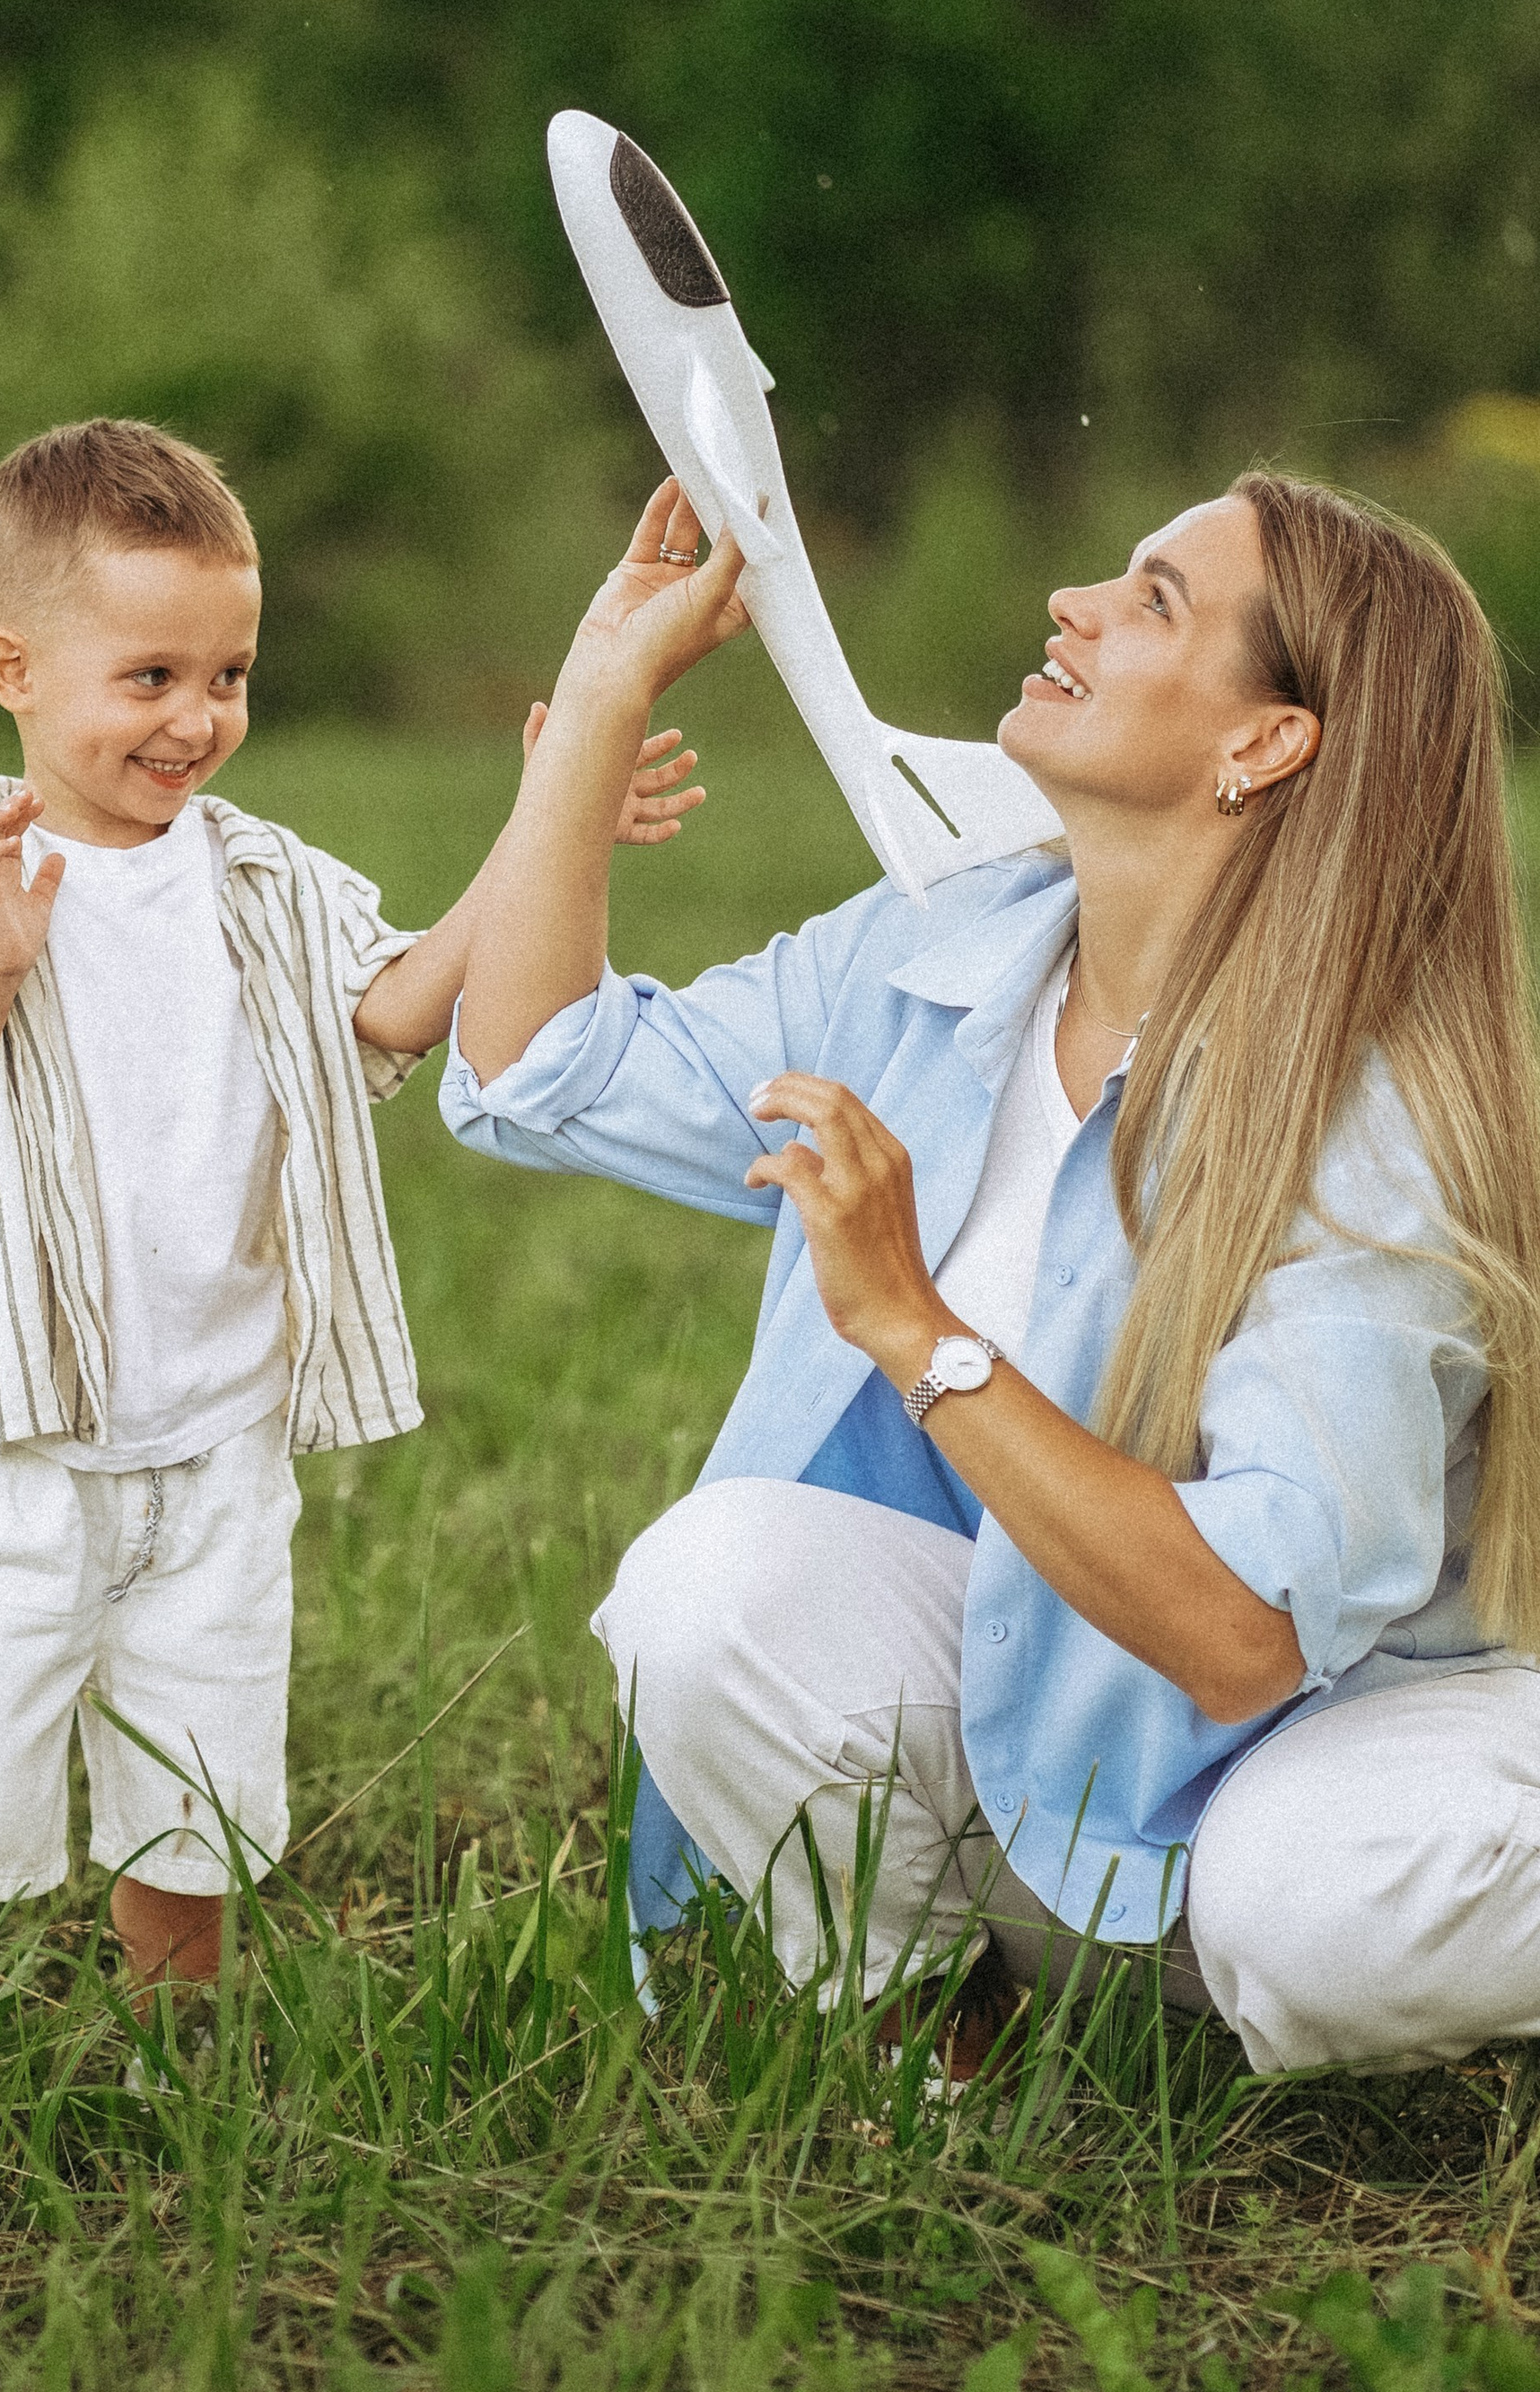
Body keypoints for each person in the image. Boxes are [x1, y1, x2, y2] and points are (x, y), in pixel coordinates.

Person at [442, 469, 1540, 2075]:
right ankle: (938, 2043)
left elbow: (1244, 1636)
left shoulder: (1370, 1130)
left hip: (1347, 1747)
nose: (1071, 605)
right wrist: (608, 683)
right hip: (1080, 1745)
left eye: (1154, 599)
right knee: (715, 1581)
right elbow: (543, 1065)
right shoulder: (937, 958)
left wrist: (917, 1330)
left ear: (1266, 743)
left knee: (1301, 1908)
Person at [0, 416, 696, 2126]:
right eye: (148, 674)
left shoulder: (263, 876)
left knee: (192, 1802)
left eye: (228, 675)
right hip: (8, 1455)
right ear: (13, 666)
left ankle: (175, 2095)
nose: (195, 719)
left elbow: (397, 1005)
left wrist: (549, 818)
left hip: (217, 1443)